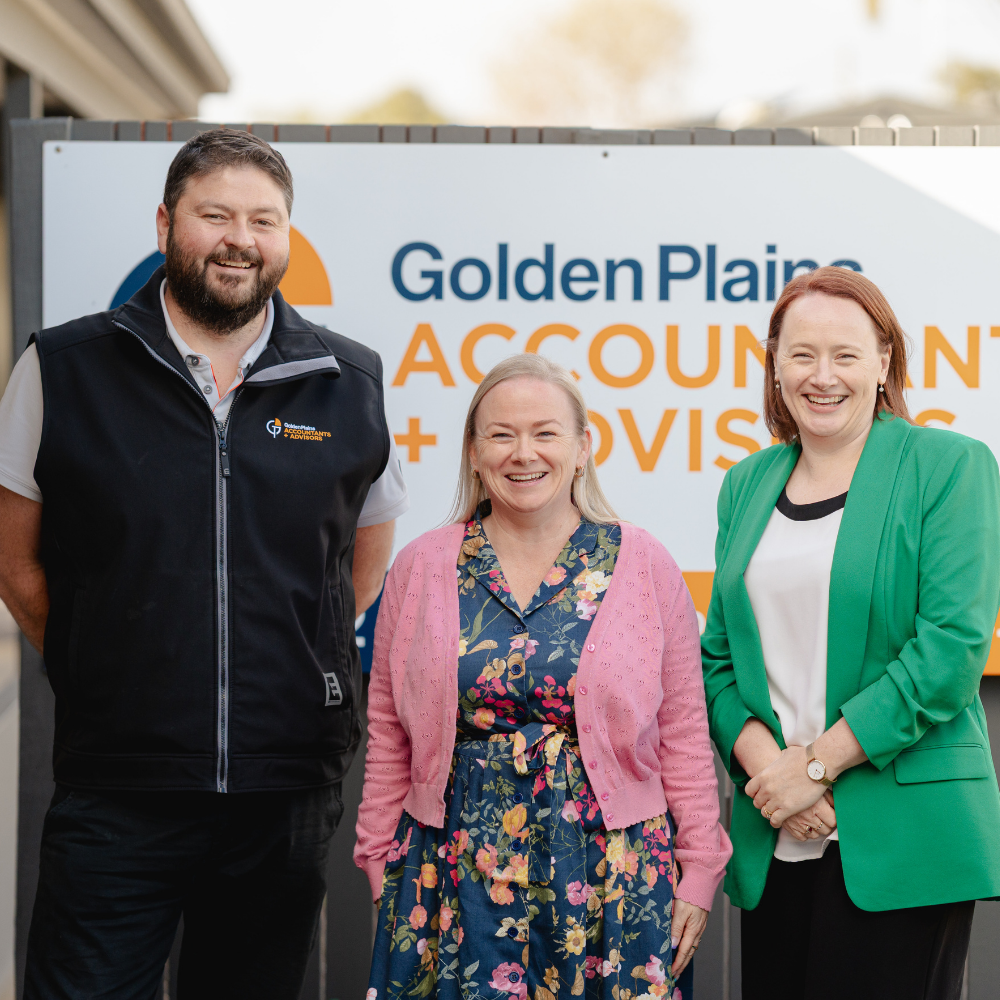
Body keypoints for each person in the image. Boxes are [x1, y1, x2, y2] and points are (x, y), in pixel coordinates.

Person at [0, 129, 408, 998]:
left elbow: (363, 551)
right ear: (165, 224)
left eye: (264, 219)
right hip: (118, 786)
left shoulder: (349, 380)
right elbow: (16, 557)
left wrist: (309, 653)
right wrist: (90, 659)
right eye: (214, 214)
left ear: (287, 238)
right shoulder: (63, 368)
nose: (240, 238)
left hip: (283, 790)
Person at [355, 353, 731, 999]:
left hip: (615, 871)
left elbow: (683, 731)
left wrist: (697, 869)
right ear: (474, 452)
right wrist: (377, 860)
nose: (522, 453)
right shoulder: (420, 567)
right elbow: (389, 728)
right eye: (500, 434)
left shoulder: (643, 564)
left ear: (583, 448)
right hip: (449, 872)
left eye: (545, 433)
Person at [701, 266, 1000, 1000]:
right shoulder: (747, 484)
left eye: (845, 353)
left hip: (900, 837)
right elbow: (717, 660)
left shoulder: (949, 467)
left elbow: (950, 652)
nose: (822, 375)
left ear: (884, 362)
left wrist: (813, 769)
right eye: (801, 354)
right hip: (779, 834)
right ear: (775, 366)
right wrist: (773, 773)